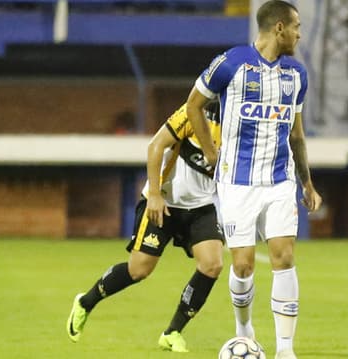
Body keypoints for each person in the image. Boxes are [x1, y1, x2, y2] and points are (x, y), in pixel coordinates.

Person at [185, 1, 322, 358]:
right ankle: (244, 330)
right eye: (296, 27)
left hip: (279, 181)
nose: (299, 34)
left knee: (284, 256)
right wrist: (211, 153)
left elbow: (297, 136)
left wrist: (306, 183)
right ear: (279, 28)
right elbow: (193, 106)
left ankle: (286, 350)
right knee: (243, 264)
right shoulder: (231, 63)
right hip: (237, 183)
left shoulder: (296, 75)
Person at [66, 102, 223, 353]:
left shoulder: (241, 128)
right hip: (164, 203)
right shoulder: (193, 113)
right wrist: (154, 194)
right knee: (138, 270)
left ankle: (172, 333)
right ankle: (86, 301)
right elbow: (156, 146)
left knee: (212, 264)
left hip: (201, 207)